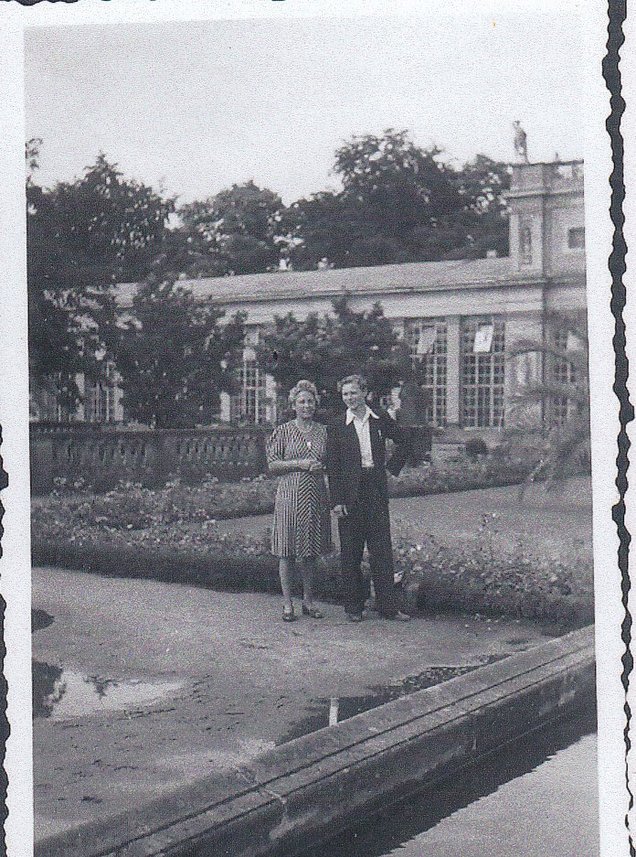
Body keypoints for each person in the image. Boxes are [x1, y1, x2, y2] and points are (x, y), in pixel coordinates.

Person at [326, 374, 412, 622]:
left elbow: (405, 440)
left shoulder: (379, 418)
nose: (349, 398)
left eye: (353, 393)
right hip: (349, 493)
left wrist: (390, 467)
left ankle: (388, 608)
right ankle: (354, 607)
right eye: (345, 394)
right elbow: (333, 466)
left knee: (381, 550)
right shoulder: (337, 425)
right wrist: (337, 501)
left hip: (374, 489)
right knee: (351, 552)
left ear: (364, 392)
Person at [266, 380, 332, 622]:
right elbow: (272, 464)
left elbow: (332, 461)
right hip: (290, 494)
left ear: (316, 404)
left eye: (310, 401)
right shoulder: (283, 431)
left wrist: (321, 465)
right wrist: (300, 464)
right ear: (293, 405)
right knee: (287, 550)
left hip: (315, 494)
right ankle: (287, 603)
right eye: (301, 401)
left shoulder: (324, 432)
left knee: (310, 550)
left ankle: (308, 601)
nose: (306, 406)